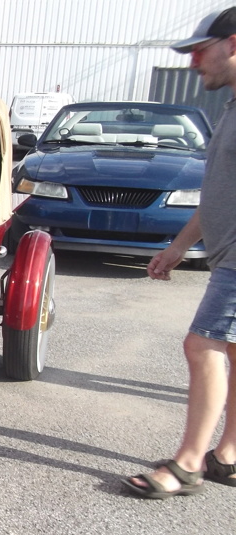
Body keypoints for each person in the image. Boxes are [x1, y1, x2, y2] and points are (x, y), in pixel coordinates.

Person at [124, 7, 236, 498]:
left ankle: (188, 465)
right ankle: (227, 456)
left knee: (201, 344)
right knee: (230, 347)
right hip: (226, 255)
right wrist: (177, 249)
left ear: (232, 44)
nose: (193, 64)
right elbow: (219, 192)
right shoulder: (230, 108)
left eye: (198, 51)